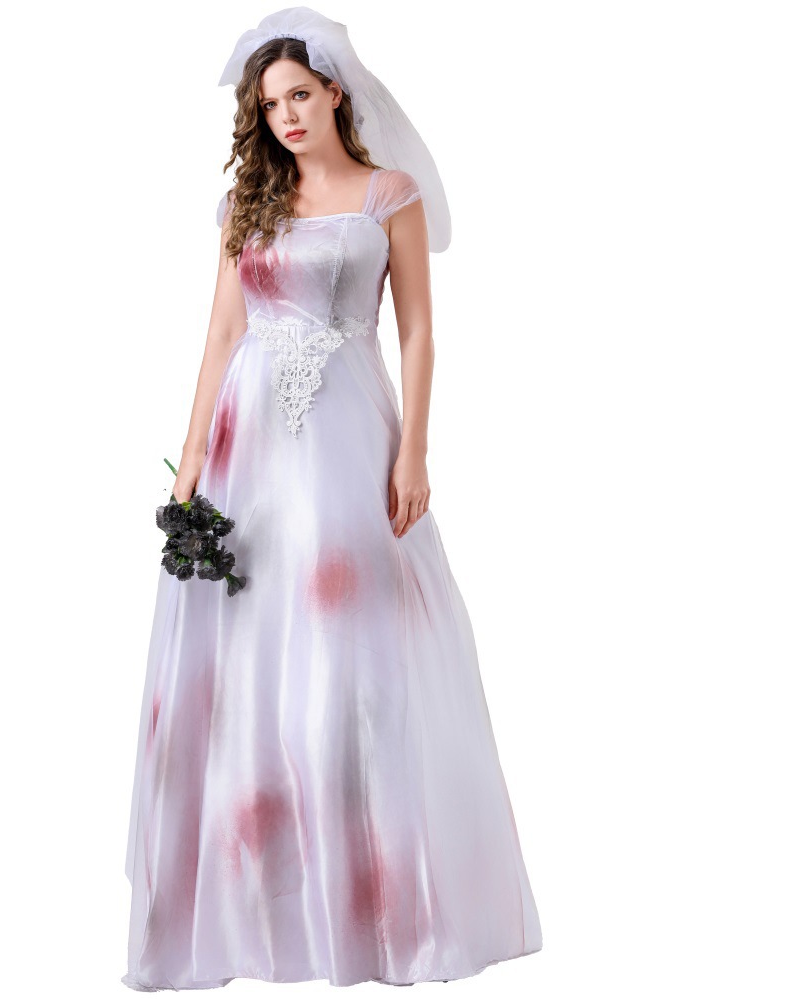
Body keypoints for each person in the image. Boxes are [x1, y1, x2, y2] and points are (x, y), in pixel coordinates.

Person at [122, 7, 542, 990]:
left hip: (349, 437)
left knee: (353, 655)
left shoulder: (387, 193)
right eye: (270, 104)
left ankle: (374, 908)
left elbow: (418, 331)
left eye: (300, 95)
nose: (286, 116)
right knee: (246, 647)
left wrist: (415, 451)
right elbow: (221, 335)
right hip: (250, 445)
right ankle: (248, 908)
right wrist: (192, 460)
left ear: (336, 92)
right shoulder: (246, 205)